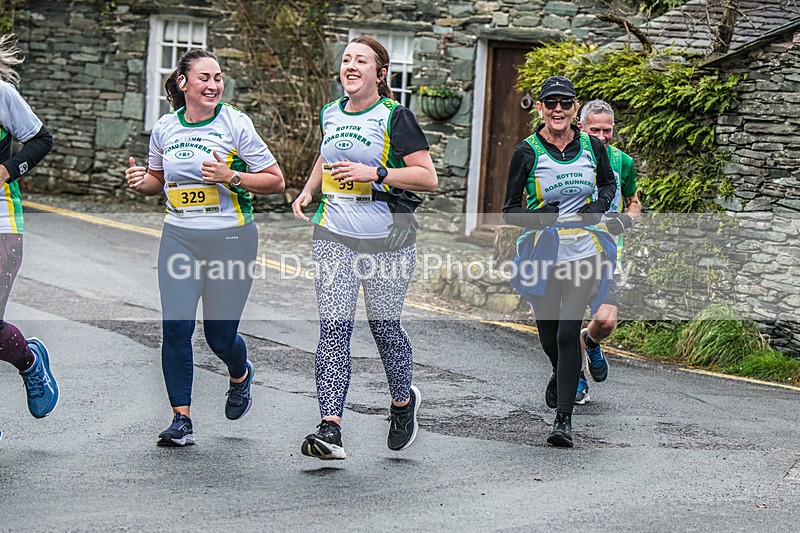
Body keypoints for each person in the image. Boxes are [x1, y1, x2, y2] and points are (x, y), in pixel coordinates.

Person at [125, 48, 285, 446]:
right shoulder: (165, 128)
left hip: (231, 238)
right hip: (179, 236)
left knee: (218, 337)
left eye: (218, 78)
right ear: (184, 83)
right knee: (176, 329)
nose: (214, 85)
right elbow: (156, 182)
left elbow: (276, 180)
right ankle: (181, 419)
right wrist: (138, 180)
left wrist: (230, 176)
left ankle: (240, 372)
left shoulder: (235, 124)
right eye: (205, 78)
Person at [292, 35, 437, 460]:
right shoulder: (330, 113)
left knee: (383, 326)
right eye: (346, 59)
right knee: (334, 327)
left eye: (362, 61)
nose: (351, 66)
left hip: (388, 240)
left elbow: (427, 177)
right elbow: (327, 156)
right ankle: (330, 428)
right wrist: (308, 190)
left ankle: (402, 402)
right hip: (334, 233)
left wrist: (375, 173)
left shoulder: (396, 116)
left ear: (380, 73)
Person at [504, 76, 616, 448]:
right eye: (550, 102)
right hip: (543, 253)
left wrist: (598, 208)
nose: (558, 109)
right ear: (539, 108)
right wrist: (541, 217)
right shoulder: (526, 152)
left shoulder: (591, 147)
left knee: (569, 332)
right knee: (550, 337)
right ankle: (561, 372)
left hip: (584, 251)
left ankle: (563, 420)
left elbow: (607, 184)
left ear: (574, 109)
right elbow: (509, 212)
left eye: (565, 103)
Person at [0, 34, 58, 438]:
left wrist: (8, 169)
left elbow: (41, 139)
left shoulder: (2, 94)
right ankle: (27, 358)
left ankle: (29, 363)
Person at [574, 99, 642, 404]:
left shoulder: (622, 162)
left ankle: (591, 341)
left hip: (609, 251)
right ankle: (575, 378)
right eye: (595, 129)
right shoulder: (568, 160)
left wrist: (626, 221)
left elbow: (634, 202)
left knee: (606, 321)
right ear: (581, 127)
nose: (602, 135)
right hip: (570, 250)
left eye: (608, 130)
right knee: (568, 320)